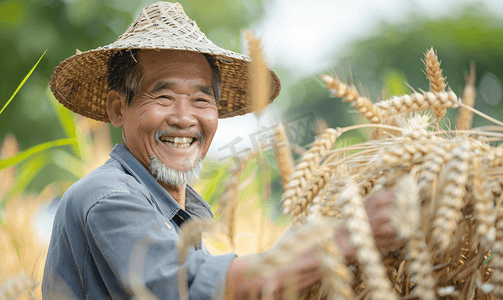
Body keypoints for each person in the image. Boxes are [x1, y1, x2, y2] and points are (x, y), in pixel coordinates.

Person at [42, 2, 398, 299]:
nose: (184, 118)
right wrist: (344, 238)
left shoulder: (174, 214)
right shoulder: (107, 197)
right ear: (118, 108)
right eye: (163, 96)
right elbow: (195, 285)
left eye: (201, 99)